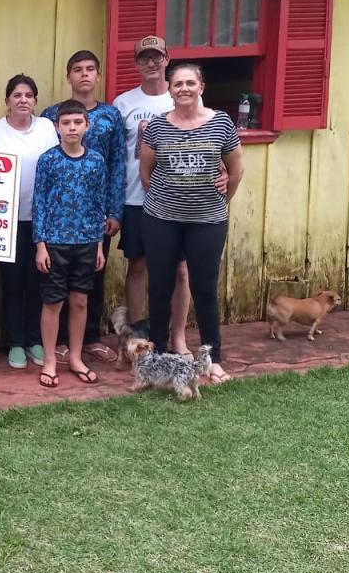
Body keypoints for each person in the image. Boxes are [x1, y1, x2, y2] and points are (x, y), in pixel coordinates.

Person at [140, 62, 244, 382]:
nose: (183, 88)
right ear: (169, 90)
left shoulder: (221, 123)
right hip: (161, 219)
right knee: (159, 286)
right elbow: (146, 172)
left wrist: (220, 202)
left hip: (208, 221)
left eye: (190, 83)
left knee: (204, 289)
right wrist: (165, 200)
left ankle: (212, 358)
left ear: (201, 87)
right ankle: (156, 356)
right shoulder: (157, 126)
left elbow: (236, 169)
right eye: (177, 84)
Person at [40, 50, 126, 364]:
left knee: (93, 277)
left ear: (98, 75)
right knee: (56, 281)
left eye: (91, 69)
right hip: (60, 216)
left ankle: (90, 337)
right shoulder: (51, 114)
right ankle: (60, 341)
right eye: (78, 69)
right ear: (69, 76)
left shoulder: (111, 116)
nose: (85, 75)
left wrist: (114, 211)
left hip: (95, 214)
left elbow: (117, 164)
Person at [0, 74, 56, 369]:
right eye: (17, 95)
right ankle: (16, 342)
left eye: (29, 95)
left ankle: (35, 340)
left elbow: (56, 165)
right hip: (6, 221)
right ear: (7, 101)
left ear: (35, 101)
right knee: (12, 282)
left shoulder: (46, 127)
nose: (23, 100)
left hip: (42, 219)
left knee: (39, 282)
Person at [113, 36, 191, 352]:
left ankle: (178, 336)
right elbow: (117, 155)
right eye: (144, 58)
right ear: (136, 63)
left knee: (181, 270)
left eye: (156, 57)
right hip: (136, 199)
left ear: (167, 59)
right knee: (137, 265)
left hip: (176, 198)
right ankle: (137, 337)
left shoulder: (181, 99)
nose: (150, 63)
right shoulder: (123, 103)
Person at [32, 100, 107, 387]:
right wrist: (40, 244)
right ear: (57, 127)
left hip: (87, 241)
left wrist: (99, 244)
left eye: (78, 122)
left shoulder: (96, 161)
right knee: (53, 301)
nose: (72, 127)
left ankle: (76, 356)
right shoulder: (48, 160)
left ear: (87, 126)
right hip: (55, 242)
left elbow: (99, 202)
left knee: (80, 300)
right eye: (66, 123)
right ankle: (50, 359)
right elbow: (39, 203)